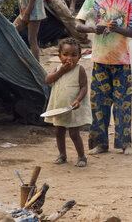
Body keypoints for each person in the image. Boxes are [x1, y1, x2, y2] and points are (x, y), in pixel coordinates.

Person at [75, 0, 132, 155]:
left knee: (123, 104)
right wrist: (92, 29)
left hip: (122, 62)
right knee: (99, 104)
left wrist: (119, 29)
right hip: (100, 61)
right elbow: (77, 25)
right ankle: (100, 143)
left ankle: (124, 143)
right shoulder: (93, 0)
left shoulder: (128, 2)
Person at [44, 38, 90, 167]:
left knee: (74, 133)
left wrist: (78, 100)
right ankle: (62, 155)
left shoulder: (79, 70)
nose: (69, 58)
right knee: (59, 131)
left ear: (79, 57)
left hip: (72, 108)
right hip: (59, 107)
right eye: (65, 55)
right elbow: (47, 80)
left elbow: (84, 87)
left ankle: (82, 157)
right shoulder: (58, 68)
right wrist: (61, 71)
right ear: (59, 56)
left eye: (74, 55)